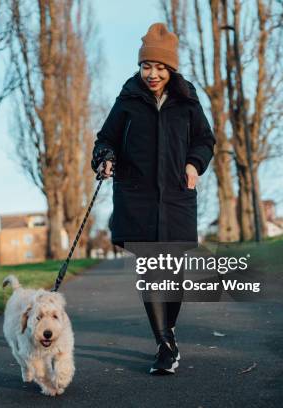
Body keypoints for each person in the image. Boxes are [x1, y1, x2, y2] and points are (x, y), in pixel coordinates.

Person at [90, 23, 216, 375]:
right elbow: (106, 139)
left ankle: (168, 331)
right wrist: (105, 158)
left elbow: (205, 140)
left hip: (178, 195)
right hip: (137, 196)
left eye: (160, 67)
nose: (152, 74)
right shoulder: (128, 99)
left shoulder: (188, 101)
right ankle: (164, 346)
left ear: (171, 68)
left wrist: (194, 164)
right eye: (147, 66)